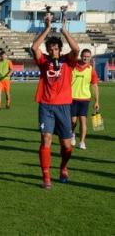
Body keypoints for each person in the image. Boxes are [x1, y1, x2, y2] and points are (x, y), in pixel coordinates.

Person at [31, 14, 79, 189]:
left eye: (56, 48)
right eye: (50, 48)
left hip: (64, 106)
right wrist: (47, 28)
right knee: (46, 139)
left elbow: (76, 49)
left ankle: (63, 167)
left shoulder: (68, 61)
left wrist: (65, 31)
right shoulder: (43, 61)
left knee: (66, 146)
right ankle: (46, 177)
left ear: (60, 49)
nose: (53, 51)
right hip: (46, 105)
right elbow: (34, 46)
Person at [70, 49, 100, 150]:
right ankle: (72, 135)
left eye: (88, 56)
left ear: (90, 58)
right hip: (72, 98)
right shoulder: (73, 66)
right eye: (84, 56)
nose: (85, 58)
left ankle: (82, 142)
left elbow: (95, 86)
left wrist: (96, 101)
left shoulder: (91, 69)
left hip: (85, 99)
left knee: (83, 121)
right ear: (81, 56)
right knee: (73, 121)